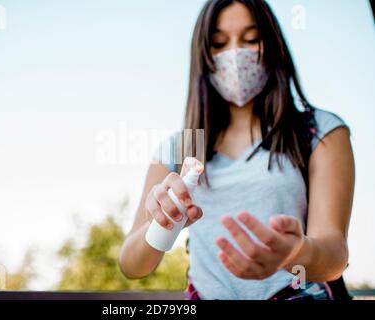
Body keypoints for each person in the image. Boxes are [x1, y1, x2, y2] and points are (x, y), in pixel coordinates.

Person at [119, 0, 355, 300]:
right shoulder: (181, 148)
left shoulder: (319, 131)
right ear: (203, 57)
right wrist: (162, 224)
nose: (234, 54)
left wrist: (295, 251)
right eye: (219, 43)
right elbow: (132, 264)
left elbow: (334, 256)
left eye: (251, 40)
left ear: (273, 46)